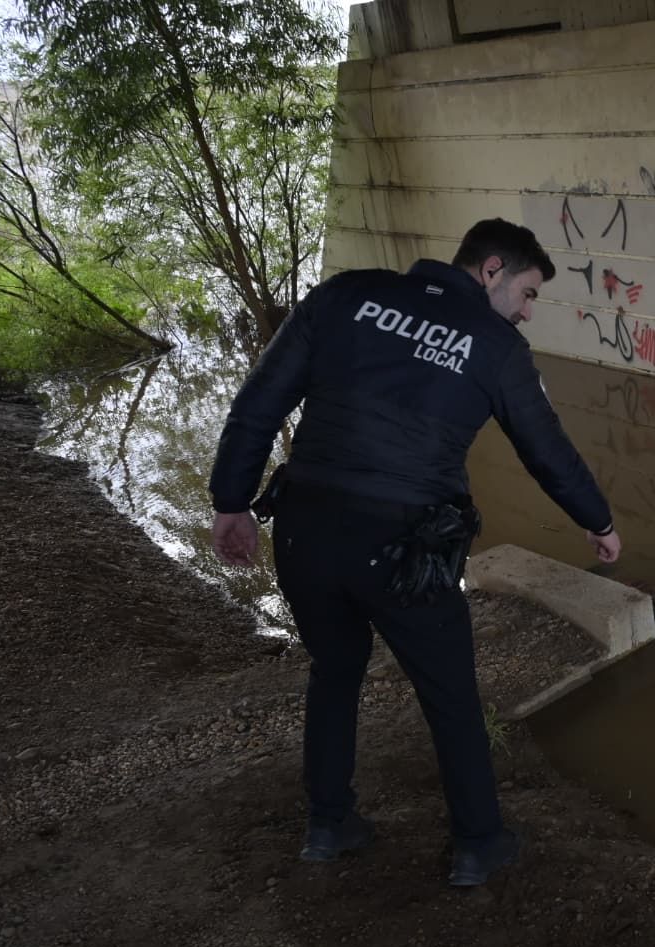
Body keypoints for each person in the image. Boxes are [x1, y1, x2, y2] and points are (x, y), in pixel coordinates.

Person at [207, 219, 620, 886]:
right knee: (451, 694)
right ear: (491, 271)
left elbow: (257, 403)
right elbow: (547, 449)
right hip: (403, 546)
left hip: (305, 530)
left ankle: (328, 824)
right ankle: (479, 844)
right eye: (529, 292)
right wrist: (598, 521)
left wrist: (232, 501)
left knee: (336, 668)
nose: (527, 310)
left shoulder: (344, 296)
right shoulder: (495, 344)